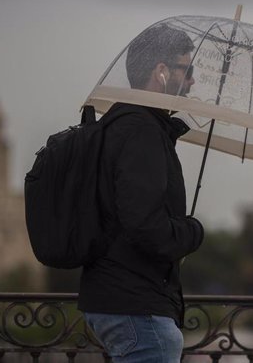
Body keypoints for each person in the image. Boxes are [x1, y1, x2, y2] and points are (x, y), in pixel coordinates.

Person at [79, 24, 204, 363]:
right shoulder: (142, 132)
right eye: (187, 69)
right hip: (136, 307)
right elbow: (143, 225)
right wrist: (193, 232)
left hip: (118, 299)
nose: (192, 80)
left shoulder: (122, 123)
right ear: (161, 72)